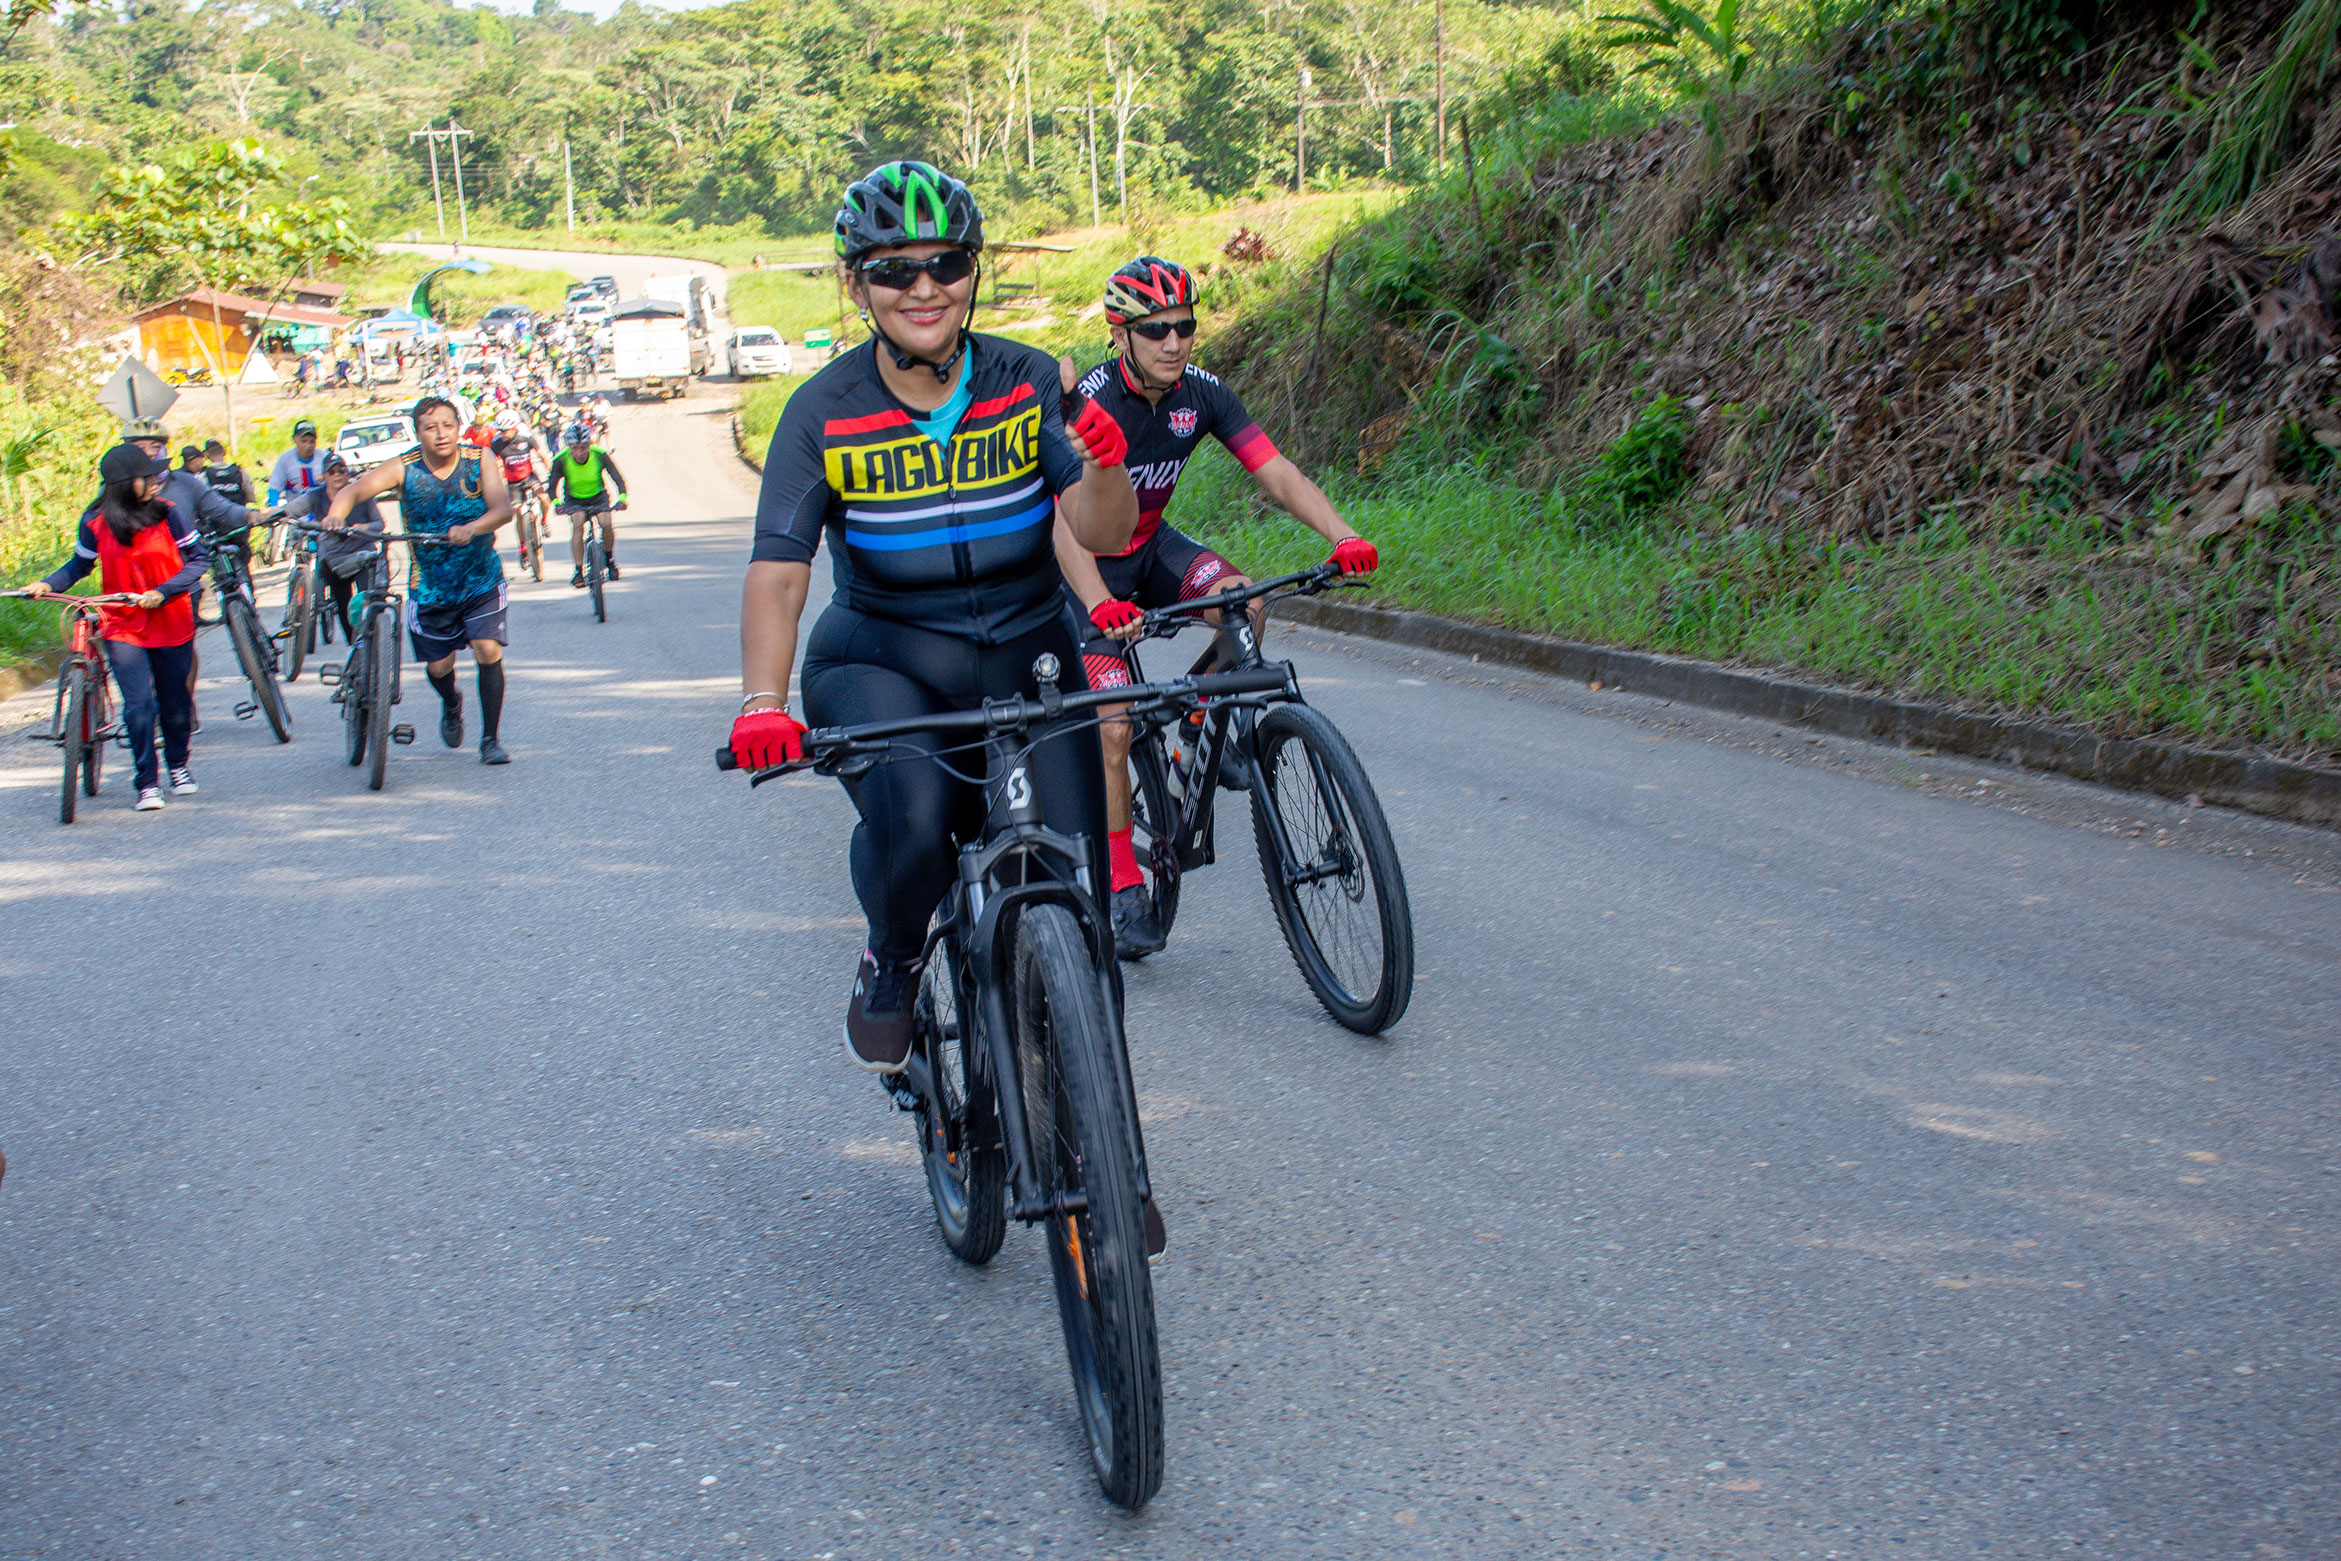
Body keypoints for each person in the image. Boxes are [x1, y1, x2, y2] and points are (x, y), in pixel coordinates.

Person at [729, 159, 1137, 1075]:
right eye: (893, 270)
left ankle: (1094, 1134)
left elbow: (1101, 532)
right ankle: (896, 955)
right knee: (917, 824)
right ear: (856, 284)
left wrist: (1104, 464)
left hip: (1031, 651)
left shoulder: (1027, 379)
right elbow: (780, 572)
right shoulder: (820, 411)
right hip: (882, 661)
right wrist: (761, 700)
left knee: (1083, 906)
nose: (923, 288)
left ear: (973, 272)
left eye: (946, 264)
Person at [1058, 256, 1379, 957]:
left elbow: (1275, 470)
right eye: (1155, 330)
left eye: (1184, 327)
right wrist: (1097, 600)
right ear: (1119, 334)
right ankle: (1121, 881)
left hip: (1151, 547)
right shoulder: (1090, 402)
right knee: (1114, 728)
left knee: (1246, 606)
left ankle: (1195, 730)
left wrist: (1342, 535)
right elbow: (1060, 518)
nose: (1173, 342)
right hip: (1084, 570)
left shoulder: (1201, 393)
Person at [11, 444, 209, 810]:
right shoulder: (95, 522)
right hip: (122, 622)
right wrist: (46, 584)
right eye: (146, 476)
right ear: (123, 483)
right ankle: (147, 784)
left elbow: (198, 560)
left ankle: (178, 765)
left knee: (175, 702)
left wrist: (163, 592)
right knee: (139, 704)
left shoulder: (168, 513)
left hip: (170, 618)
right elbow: (78, 566)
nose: (156, 480)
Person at [325, 395, 516, 765]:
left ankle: (490, 740)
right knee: (439, 667)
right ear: (418, 433)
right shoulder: (404, 467)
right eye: (430, 428)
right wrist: (337, 514)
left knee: (488, 649)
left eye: (447, 425)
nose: (440, 434)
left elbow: (502, 509)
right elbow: (353, 490)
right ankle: (451, 702)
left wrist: (472, 528)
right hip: (430, 587)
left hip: (481, 578)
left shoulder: (479, 459)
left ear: (458, 428)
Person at [291, 456, 385, 639]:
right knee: (343, 604)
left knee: (370, 598)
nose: (337, 475)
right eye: (332, 472)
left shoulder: (361, 492)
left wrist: (364, 528)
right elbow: (291, 510)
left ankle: (373, 637)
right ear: (324, 476)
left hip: (363, 553)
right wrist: (267, 514)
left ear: (347, 473)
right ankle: (354, 645)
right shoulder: (316, 496)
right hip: (334, 560)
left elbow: (379, 524)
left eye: (341, 470)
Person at [549, 424, 628, 587]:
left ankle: (610, 561)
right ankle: (578, 570)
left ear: (589, 445)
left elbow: (618, 479)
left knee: (606, 523)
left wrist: (622, 498)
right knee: (578, 524)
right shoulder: (560, 460)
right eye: (575, 448)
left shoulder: (599, 455)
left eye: (584, 448)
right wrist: (557, 504)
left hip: (598, 496)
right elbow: (551, 487)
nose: (579, 452)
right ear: (569, 447)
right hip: (574, 499)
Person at [490, 413, 548, 570]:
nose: (503, 434)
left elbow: (543, 456)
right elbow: (491, 464)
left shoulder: (526, 438)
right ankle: (523, 547)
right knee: (517, 512)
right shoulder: (497, 443)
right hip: (513, 483)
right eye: (501, 430)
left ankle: (543, 522)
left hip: (529, 477)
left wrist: (550, 473)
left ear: (514, 428)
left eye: (506, 431)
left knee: (544, 499)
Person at [268, 419, 330, 506]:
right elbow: (275, 487)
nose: (308, 446)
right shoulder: (285, 459)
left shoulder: (325, 457)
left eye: (312, 442)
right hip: (296, 510)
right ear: (294, 439)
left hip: (322, 508)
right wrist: (273, 507)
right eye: (303, 441)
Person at [200, 440, 252, 509]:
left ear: (206, 455)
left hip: (216, 513)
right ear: (224, 452)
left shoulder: (204, 475)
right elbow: (251, 496)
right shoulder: (239, 471)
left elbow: (201, 499)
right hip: (238, 511)